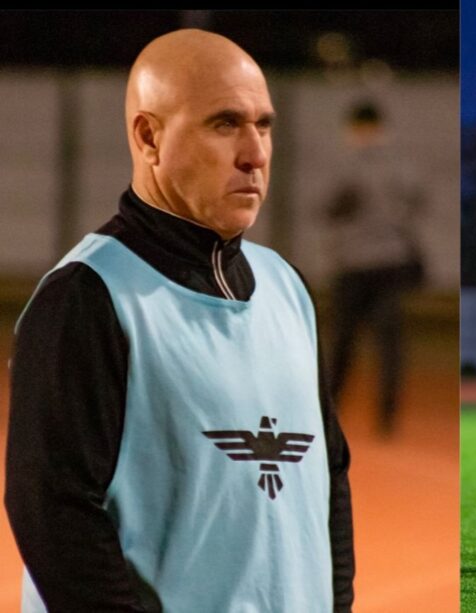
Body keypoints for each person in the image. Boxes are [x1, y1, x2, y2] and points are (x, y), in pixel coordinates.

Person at [4, 29, 353, 612]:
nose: (255, 153)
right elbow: (54, 513)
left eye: (264, 125)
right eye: (224, 124)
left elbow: (329, 478)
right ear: (149, 137)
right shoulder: (88, 297)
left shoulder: (287, 288)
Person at [325, 100, 424, 436]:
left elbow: (328, 208)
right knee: (366, 344)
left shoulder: (352, 163)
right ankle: (369, 418)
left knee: (362, 343)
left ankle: (361, 415)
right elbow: (416, 203)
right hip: (372, 262)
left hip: (370, 263)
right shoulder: (394, 164)